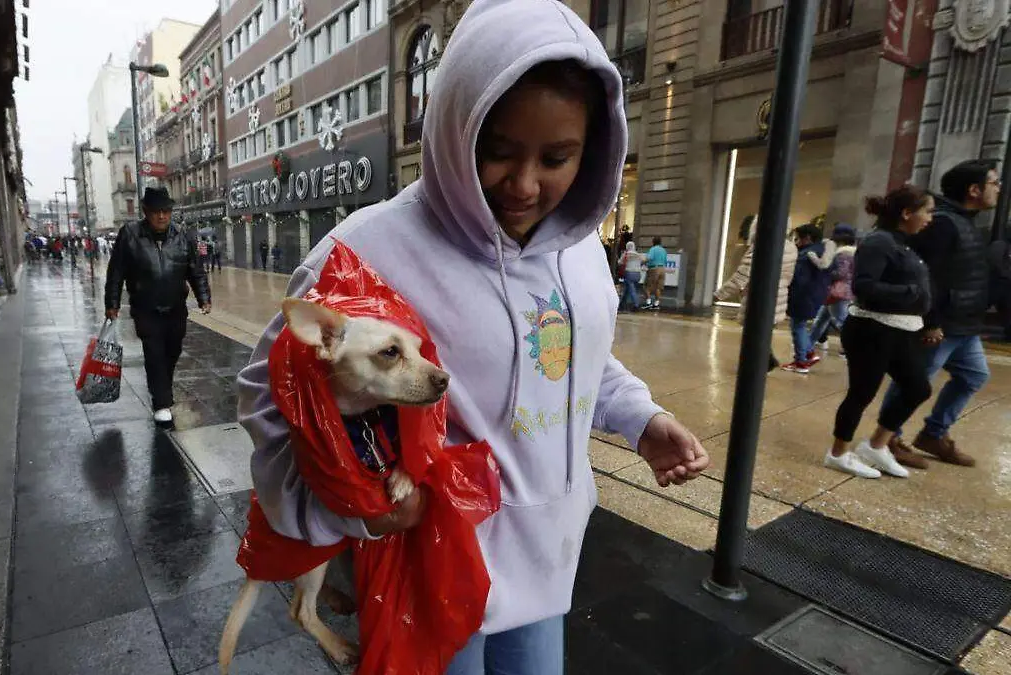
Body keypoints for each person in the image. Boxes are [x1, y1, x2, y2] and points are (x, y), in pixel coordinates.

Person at [237, 1, 710, 672]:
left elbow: (576, 359)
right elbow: (267, 394)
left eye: (557, 157)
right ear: (458, 126)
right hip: (430, 571)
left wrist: (642, 418)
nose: (524, 184)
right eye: (499, 152)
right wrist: (354, 516)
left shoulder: (580, 249)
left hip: (549, 562)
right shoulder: (368, 249)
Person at [881, 160, 998, 468]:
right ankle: (886, 438)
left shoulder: (965, 221)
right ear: (974, 190)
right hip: (942, 323)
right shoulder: (945, 223)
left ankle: (934, 433)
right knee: (914, 381)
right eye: (994, 183)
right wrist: (930, 321)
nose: (998, 189)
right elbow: (922, 274)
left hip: (964, 323)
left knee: (973, 375)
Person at [825, 186, 935, 478]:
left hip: (900, 330)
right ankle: (838, 453)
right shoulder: (879, 242)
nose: (930, 218)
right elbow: (863, 286)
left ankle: (876, 446)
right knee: (862, 393)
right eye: (927, 211)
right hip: (872, 330)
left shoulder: (904, 243)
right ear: (907, 213)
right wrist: (911, 293)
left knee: (918, 388)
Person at [105, 187, 212, 425]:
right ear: (146, 212)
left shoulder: (182, 236)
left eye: (166, 211)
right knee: (154, 354)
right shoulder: (130, 235)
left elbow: (195, 271)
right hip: (146, 308)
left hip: (176, 308)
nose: (162, 216)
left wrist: (204, 297)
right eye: (156, 212)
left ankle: (162, 387)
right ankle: (162, 402)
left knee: (171, 353)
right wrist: (111, 303)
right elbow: (116, 271)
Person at [714, 222, 799, 372]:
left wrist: (719, 295)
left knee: (752, 335)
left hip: (759, 297)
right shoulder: (791, 247)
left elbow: (742, 275)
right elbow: (789, 276)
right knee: (763, 334)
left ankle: (757, 365)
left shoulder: (762, 244)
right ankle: (765, 361)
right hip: (779, 296)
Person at [782, 224, 831, 374]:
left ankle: (801, 361)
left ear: (808, 238)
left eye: (798, 238)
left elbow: (798, 278)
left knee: (798, 327)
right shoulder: (821, 251)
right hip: (814, 295)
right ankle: (809, 353)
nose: (796, 242)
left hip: (802, 295)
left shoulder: (806, 255)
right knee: (800, 325)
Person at [807, 223, 857, 358]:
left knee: (841, 322)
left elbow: (841, 273)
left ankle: (855, 349)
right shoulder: (852, 252)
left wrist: (825, 270)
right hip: (841, 291)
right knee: (821, 320)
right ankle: (807, 346)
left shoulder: (843, 253)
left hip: (838, 292)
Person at [617, 240, 645, 311]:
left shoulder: (626, 254)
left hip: (629, 273)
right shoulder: (638, 254)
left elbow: (620, 262)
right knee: (627, 289)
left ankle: (636, 305)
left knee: (632, 290)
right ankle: (622, 304)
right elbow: (643, 261)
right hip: (638, 274)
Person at [643, 236, 667, 309]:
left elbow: (649, 258)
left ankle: (648, 303)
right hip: (662, 269)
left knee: (646, 286)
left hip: (654, 269)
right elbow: (665, 260)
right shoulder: (663, 250)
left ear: (653, 242)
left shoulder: (653, 249)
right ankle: (656, 304)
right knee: (658, 287)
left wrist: (643, 262)